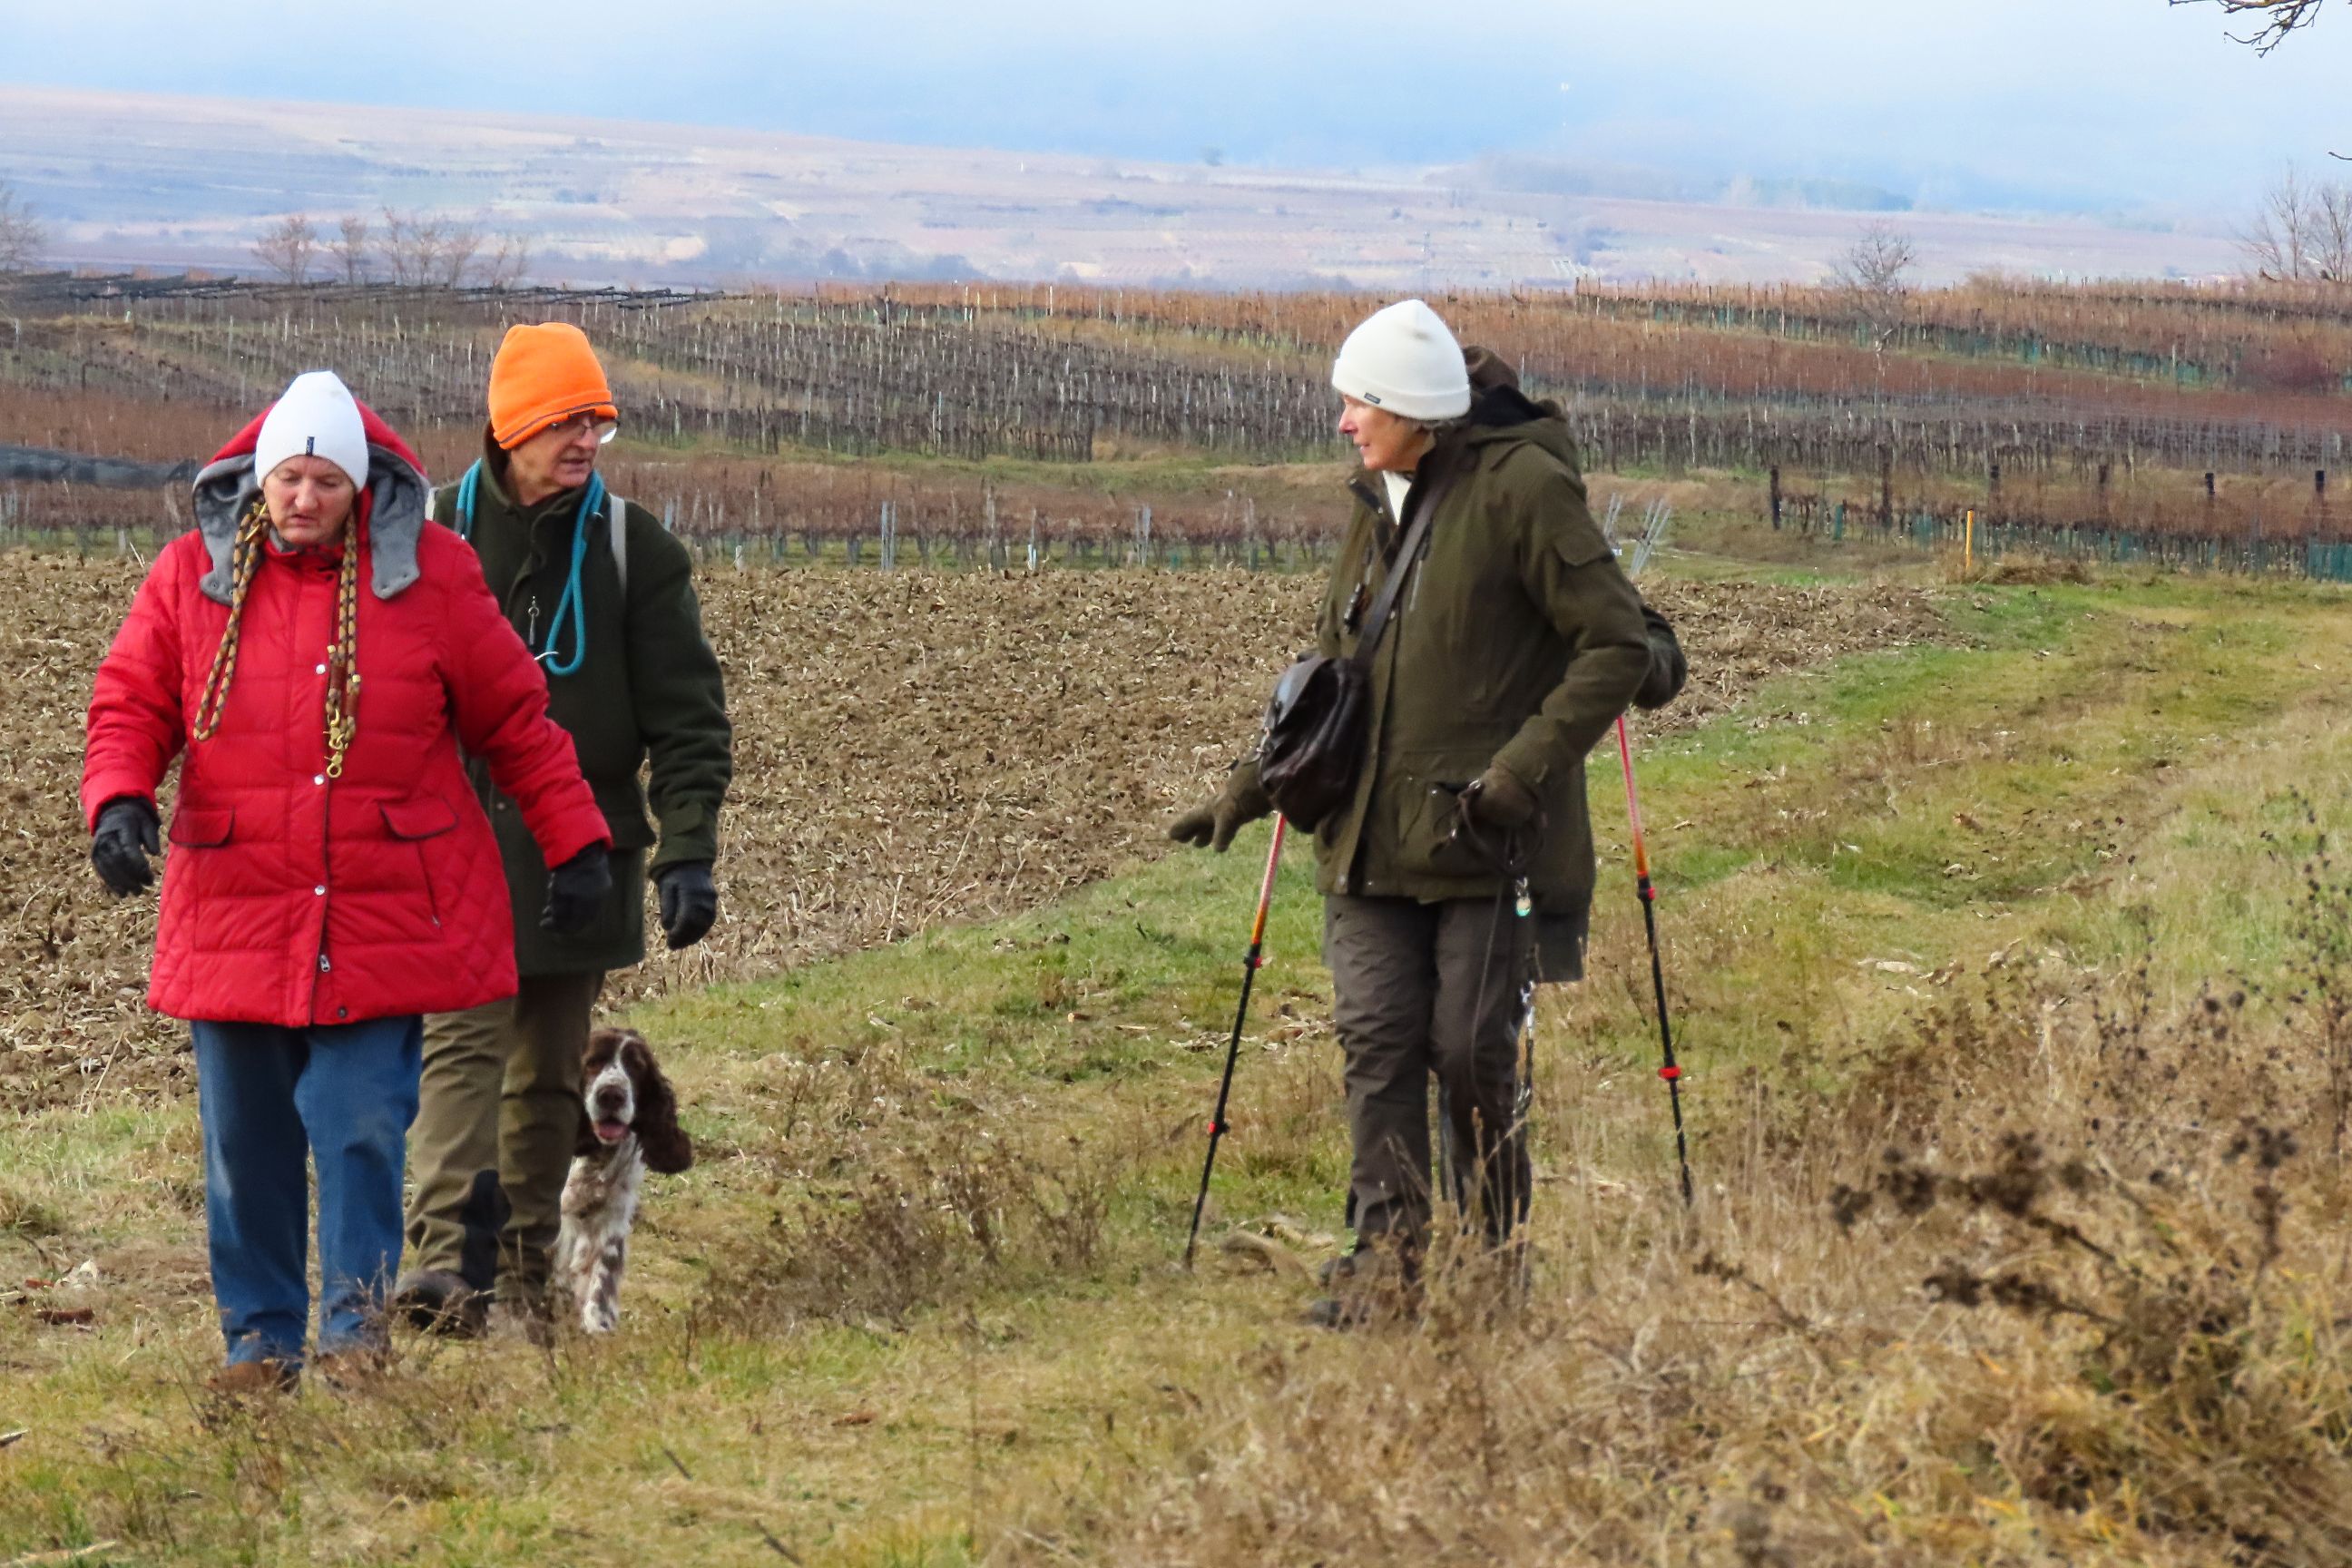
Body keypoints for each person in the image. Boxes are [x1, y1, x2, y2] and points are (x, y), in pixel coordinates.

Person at [82, 371, 613, 1394]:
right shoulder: (191, 575)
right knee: (246, 1145)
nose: (303, 498)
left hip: (381, 914)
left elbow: (515, 719)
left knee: (361, 1124)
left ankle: (355, 1335)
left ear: (361, 486)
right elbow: (131, 703)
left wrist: (576, 844)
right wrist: (119, 800)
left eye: (326, 482)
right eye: (288, 478)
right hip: (235, 906)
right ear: (259, 478)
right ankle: (260, 1346)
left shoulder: (432, 575)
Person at [1168, 302, 1660, 1325]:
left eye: (1362, 403)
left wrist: (1524, 770)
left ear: (1410, 410)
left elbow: (1616, 645)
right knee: (1379, 1043)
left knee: (1470, 1054)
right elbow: (1338, 674)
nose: (1344, 421)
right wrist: (1248, 789)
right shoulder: (1374, 501)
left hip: (1486, 837)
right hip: (1365, 840)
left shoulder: (1525, 489)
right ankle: (1385, 1271)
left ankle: (1491, 1269)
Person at [396, 323, 732, 1335]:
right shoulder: (428, 533)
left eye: (597, 423)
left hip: (581, 852)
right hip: (447, 850)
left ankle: (521, 1283)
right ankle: (444, 1270)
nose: (584, 440)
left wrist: (685, 851)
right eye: (562, 423)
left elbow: (688, 718)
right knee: (459, 1056)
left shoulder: (637, 550)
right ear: (510, 429)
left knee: (546, 1079)